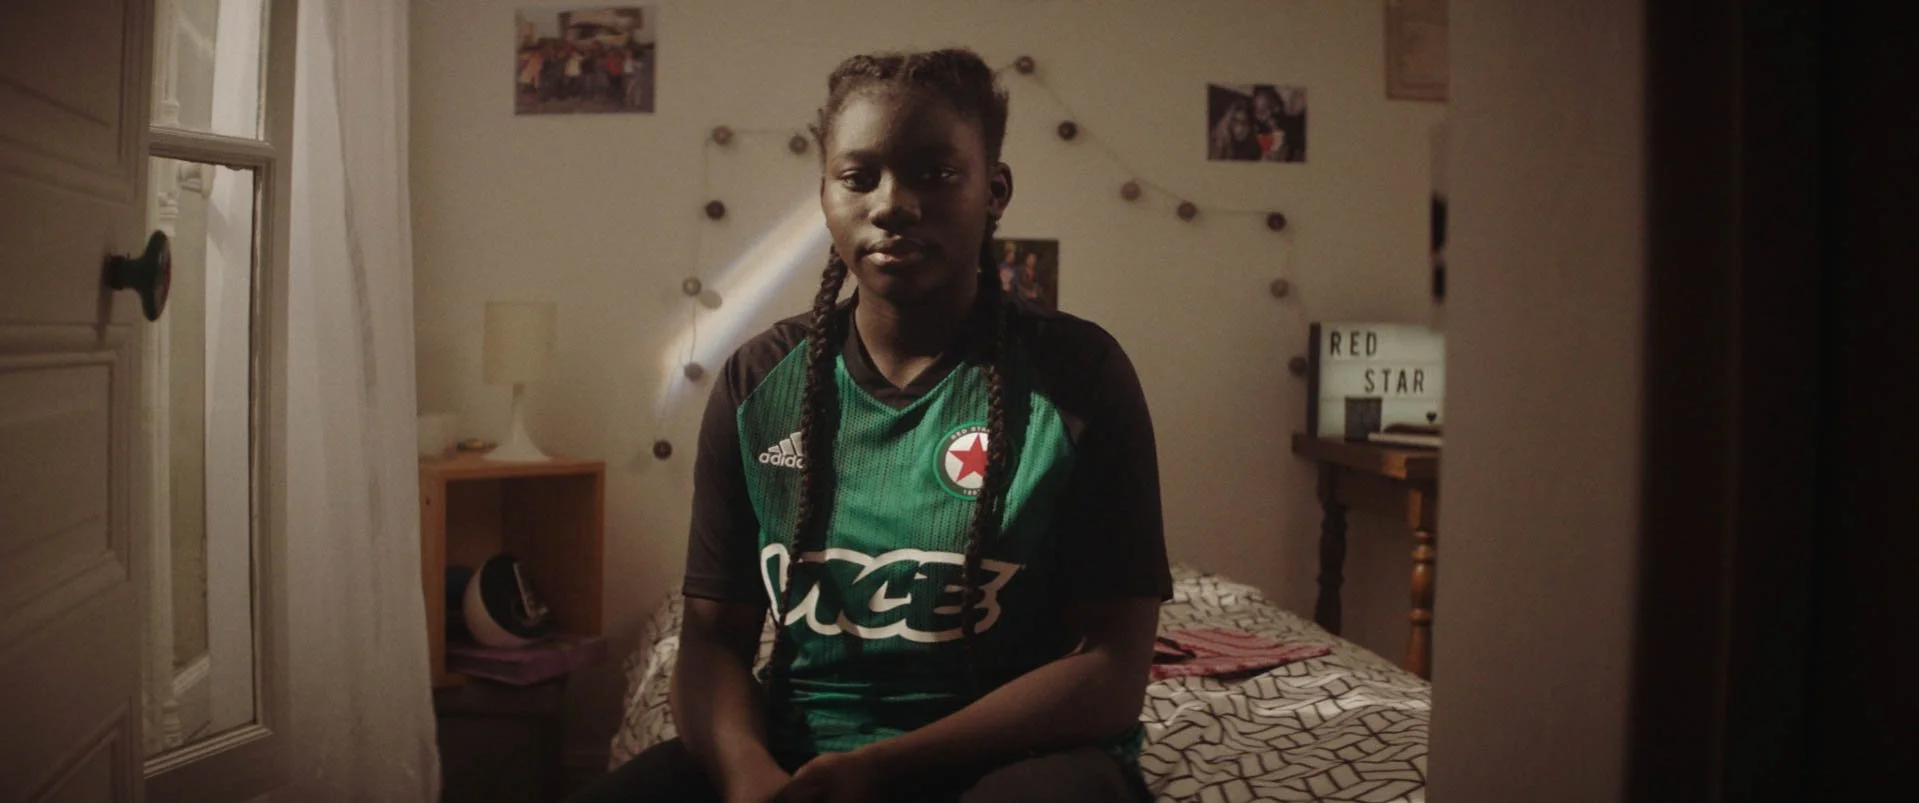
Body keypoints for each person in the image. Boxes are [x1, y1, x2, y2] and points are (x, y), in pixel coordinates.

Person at [568, 47, 1168, 803]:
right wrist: (751, 779)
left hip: (1010, 759)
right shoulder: (759, 381)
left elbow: (1113, 668)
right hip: (797, 760)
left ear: (995, 191)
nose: (892, 204)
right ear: (824, 195)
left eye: (935, 173)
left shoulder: (1079, 374)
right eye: (858, 177)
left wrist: (882, 768)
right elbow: (713, 639)